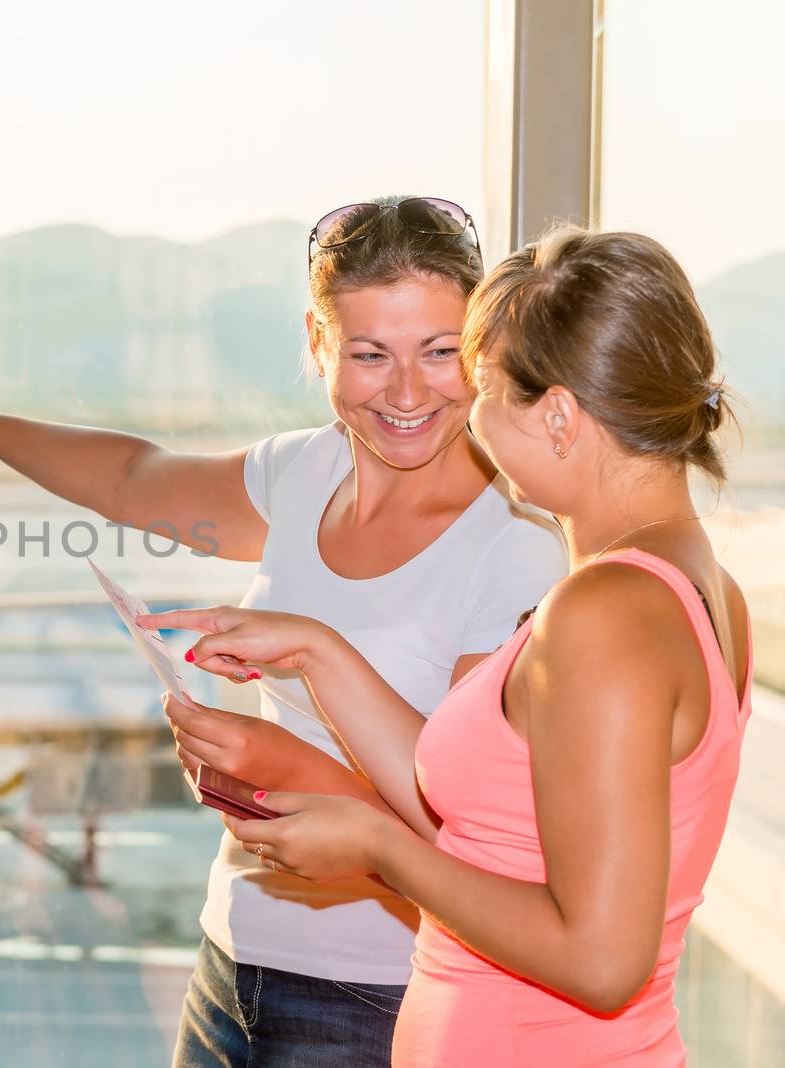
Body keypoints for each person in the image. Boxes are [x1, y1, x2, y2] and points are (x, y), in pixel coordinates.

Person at [0, 196, 568, 1066]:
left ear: (477, 352)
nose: (408, 391)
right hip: (232, 959)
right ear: (318, 346)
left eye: (437, 352)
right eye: (369, 354)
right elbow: (132, 479)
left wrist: (273, 766)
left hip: (378, 995)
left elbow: (462, 831)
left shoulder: (515, 544)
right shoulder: (304, 471)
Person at [171, 228, 749, 1065]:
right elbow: (505, 829)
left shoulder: (606, 610)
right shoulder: (695, 584)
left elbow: (601, 961)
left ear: (556, 416)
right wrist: (316, 649)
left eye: (481, 387)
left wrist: (379, 851)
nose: (467, 416)